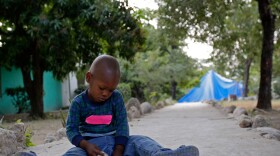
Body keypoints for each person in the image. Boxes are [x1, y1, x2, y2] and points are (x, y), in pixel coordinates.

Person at [63, 55, 199, 156]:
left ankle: (163, 154)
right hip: (90, 149)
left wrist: (119, 150)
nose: (106, 94)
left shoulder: (116, 98)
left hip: (117, 145)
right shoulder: (78, 102)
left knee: (140, 141)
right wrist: (85, 145)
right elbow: (71, 130)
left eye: (110, 90)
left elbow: (122, 126)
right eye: (102, 88)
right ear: (89, 78)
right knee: (74, 153)